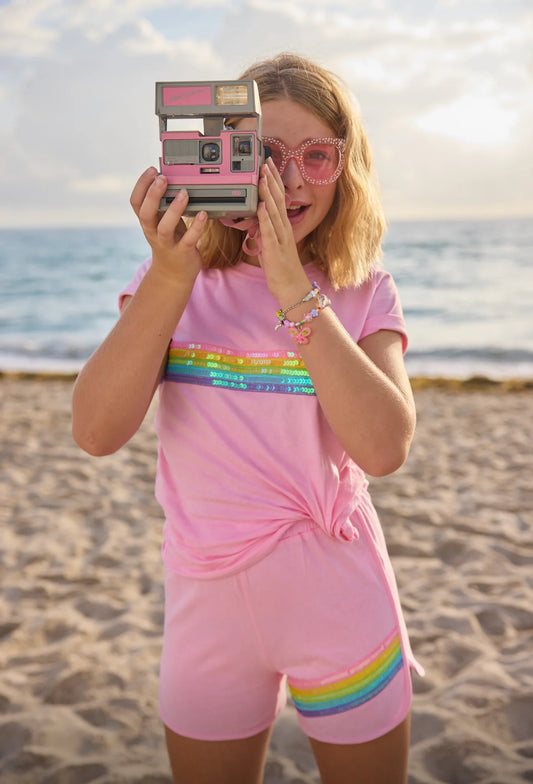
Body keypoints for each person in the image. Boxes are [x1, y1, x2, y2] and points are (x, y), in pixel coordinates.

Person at [72, 52, 423, 784]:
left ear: (344, 168)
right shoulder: (176, 282)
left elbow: (384, 447)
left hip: (340, 606)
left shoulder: (361, 292)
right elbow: (96, 432)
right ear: (215, 157)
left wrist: (293, 287)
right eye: (260, 154)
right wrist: (172, 273)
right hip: (207, 613)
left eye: (315, 157)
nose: (287, 181)